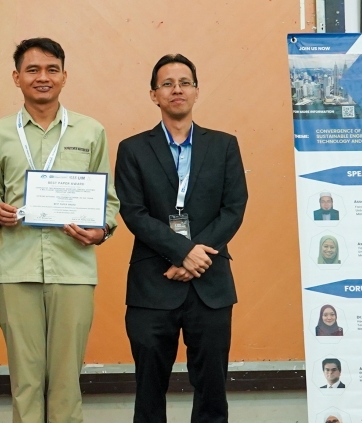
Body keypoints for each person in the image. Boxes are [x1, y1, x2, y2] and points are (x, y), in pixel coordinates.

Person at [0, 38, 119, 423]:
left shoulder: (91, 131)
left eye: (52, 69)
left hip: (73, 269)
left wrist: (100, 230)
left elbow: (108, 200)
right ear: (16, 77)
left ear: (64, 76)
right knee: (25, 382)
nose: (43, 77)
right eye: (33, 70)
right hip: (16, 269)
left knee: (67, 382)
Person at [114, 54, 248, 423]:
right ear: (154, 94)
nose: (177, 89)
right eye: (168, 84)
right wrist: (182, 252)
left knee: (212, 389)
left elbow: (234, 207)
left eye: (185, 82)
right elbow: (133, 211)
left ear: (196, 91)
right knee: (149, 389)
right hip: (152, 283)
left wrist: (195, 257)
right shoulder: (132, 148)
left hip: (210, 282)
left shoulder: (224, 145)